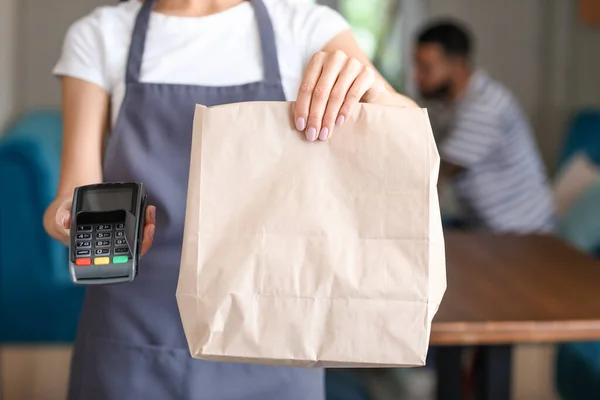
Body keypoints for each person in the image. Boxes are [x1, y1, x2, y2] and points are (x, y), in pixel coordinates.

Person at [43, 0, 417, 399]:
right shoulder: (101, 35)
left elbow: (406, 134)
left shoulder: (306, 27)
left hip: (273, 323)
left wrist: (370, 87)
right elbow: (73, 190)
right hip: (135, 324)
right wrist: (69, 219)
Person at [414, 20, 555, 234]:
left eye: (426, 67)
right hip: (483, 227)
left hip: (522, 231)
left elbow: (437, 171)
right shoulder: (447, 104)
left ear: (456, 64)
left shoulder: (486, 105)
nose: (417, 76)